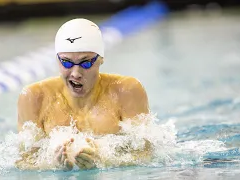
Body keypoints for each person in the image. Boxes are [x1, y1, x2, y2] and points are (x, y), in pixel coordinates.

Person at [16, 18, 152, 171]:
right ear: (57, 59)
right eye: (66, 62)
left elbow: (147, 153)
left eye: (86, 63)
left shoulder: (126, 91)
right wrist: (51, 164)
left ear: (101, 59)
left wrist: (104, 159)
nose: (76, 73)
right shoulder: (34, 97)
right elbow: (24, 161)